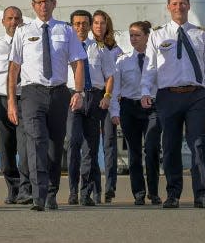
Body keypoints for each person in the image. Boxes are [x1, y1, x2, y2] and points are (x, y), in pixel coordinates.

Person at [7, 0, 86, 211]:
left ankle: (52, 191)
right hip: (32, 93)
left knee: (55, 144)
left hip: (59, 92)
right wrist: (12, 101)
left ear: (54, 3)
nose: (43, 5)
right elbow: (14, 68)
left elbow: (78, 62)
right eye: (39, 2)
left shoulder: (66, 30)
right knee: (36, 140)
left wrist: (78, 92)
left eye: (47, 1)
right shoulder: (23, 31)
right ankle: (38, 194)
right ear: (33, 6)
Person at [141, 0, 205, 209]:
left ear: (189, 5)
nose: (179, 7)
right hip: (168, 96)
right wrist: (145, 91)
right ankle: (173, 194)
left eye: (182, 3)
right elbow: (149, 67)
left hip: (196, 96)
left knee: (198, 143)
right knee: (170, 146)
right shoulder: (158, 35)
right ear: (168, 7)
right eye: (174, 3)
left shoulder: (200, 34)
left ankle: (201, 194)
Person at [0, 6, 32, 205]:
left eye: (17, 18)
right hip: (0, 101)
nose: (13, 22)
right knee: (7, 146)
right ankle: (13, 188)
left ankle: (26, 189)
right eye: (9, 18)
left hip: (24, 99)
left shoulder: (30, 46)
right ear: (3, 21)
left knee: (26, 146)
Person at [66, 10, 116, 206]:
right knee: (73, 143)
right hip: (72, 97)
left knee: (90, 149)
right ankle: (72, 190)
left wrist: (107, 96)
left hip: (94, 99)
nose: (80, 27)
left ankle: (85, 192)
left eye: (84, 23)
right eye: (77, 24)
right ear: (72, 26)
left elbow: (110, 75)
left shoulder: (100, 49)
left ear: (89, 26)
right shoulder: (64, 49)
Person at [111, 21, 162, 205]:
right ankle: (139, 193)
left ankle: (154, 191)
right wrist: (115, 112)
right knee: (134, 153)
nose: (133, 39)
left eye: (137, 35)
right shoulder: (122, 61)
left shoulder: (156, 58)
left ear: (147, 37)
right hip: (129, 108)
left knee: (151, 148)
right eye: (131, 35)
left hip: (151, 108)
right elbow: (116, 89)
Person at [90, 10, 122, 204]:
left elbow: (116, 82)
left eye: (103, 23)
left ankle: (110, 188)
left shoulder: (115, 50)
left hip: (110, 103)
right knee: (91, 147)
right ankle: (94, 188)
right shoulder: (87, 47)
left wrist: (113, 105)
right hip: (93, 100)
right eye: (96, 23)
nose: (99, 26)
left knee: (109, 145)